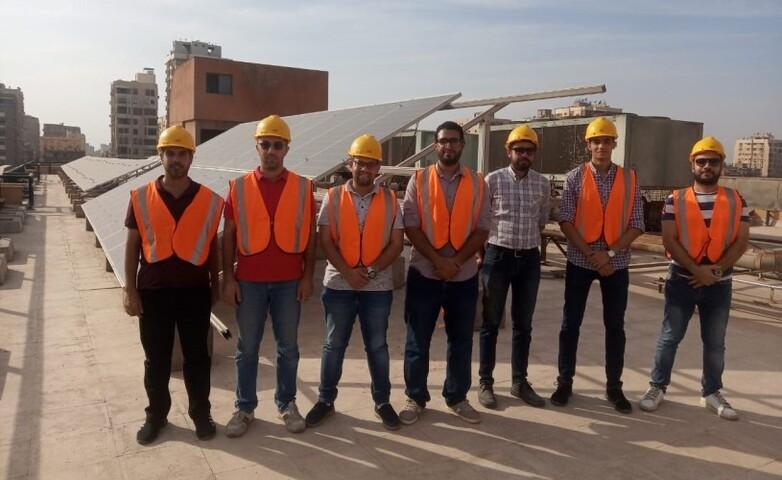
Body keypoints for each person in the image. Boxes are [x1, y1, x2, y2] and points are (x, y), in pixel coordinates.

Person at [123, 125, 224, 444]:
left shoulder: (209, 200)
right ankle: (156, 416)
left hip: (195, 292)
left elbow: (213, 247)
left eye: (182, 153)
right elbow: (132, 246)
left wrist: (216, 284)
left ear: (191, 157)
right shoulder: (140, 197)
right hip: (153, 293)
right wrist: (129, 290)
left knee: (197, 358)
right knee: (156, 360)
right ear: (161, 156)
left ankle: (201, 414)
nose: (176, 159)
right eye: (170, 153)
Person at [639, 136, 749, 420]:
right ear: (692, 165)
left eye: (713, 161)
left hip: (719, 283)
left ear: (721, 164)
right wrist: (697, 270)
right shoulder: (674, 200)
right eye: (701, 162)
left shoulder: (736, 200)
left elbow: (740, 242)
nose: (707, 166)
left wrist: (716, 271)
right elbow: (669, 239)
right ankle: (657, 387)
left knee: (715, 342)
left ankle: (712, 392)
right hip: (682, 279)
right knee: (670, 336)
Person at [222, 115, 316, 436]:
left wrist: (308, 277)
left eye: (278, 145)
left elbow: (311, 235)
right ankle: (244, 407)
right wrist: (229, 279)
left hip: (289, 282)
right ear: (257, 147)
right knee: (248, 348)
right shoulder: (238, 187)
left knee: (287, 348)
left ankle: (286, 404)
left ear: (287, 149)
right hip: (249, 281)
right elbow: (228, 235)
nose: (271, 150)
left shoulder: (303, 187)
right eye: (266, 144)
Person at [305, 134, 404, 430]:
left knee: (377, 346)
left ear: (378, 168)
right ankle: (325, 400)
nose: (365, 169)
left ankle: (382, 401)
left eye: (371, 164)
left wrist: (371, 271)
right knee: (334, 345)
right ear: (350, 164)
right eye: (360, 162)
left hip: (377, 287)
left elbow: (396, 243)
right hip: (339, 284)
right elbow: (325, 239)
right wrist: (348, 272)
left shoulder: (390, 200)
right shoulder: (333, 197)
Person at [399, 121, 491, 425]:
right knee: (417, 340)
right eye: (443, 141)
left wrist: (456, 262)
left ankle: (457, 397)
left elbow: (482, 228)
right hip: (424, 273)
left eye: (453, 140)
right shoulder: (419, 180)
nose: (448, 146)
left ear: (462, 144)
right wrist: (438, 260)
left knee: (461, 340)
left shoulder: (478, 183)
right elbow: (411, 226)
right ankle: (415, 397)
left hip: (463, 276)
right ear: (435, 146)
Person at [551, 117, 644, 413]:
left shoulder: (630, 179)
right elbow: (566, 220)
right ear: (588, 145)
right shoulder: (574, 178)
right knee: (570, 325)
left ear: (614, 143)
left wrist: (610, 254)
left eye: (606, 141)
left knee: (615, 326)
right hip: (581, 261)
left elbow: (637, 223)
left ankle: (614, 387)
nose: (601, 146)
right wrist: (593, 255)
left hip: (616, 264)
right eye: (596, 141)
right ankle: (564, 382)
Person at [478, 125, 550, 409]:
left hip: (529, 259)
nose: (524, 155)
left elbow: (541, 221)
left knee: (523, 325)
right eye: (519, 150)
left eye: (529, 151)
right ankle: (486, 382)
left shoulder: (542, 184)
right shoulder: (492, 180)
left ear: (534, 154)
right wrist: (482, 255)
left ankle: (520, 382)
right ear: (508, 151)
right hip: (498, 256)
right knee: (491, 323)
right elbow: (482, 220)